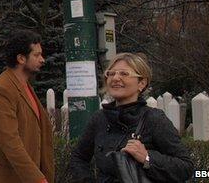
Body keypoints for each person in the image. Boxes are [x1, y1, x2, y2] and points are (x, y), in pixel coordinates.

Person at [70, 52, 194, 182]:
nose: (115, 78)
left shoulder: (154, 119)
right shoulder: (100, 118)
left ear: (141, 83)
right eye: (111, 73)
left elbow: (186, 167)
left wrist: (147, 158)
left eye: (124, 74)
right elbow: (78, 158)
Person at [0, 30, 54, 183]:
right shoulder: (2, 90)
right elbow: (10, 142)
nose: (42, 59)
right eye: (36, 55)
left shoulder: (24, 86)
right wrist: (37, 179)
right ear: (21, 58)